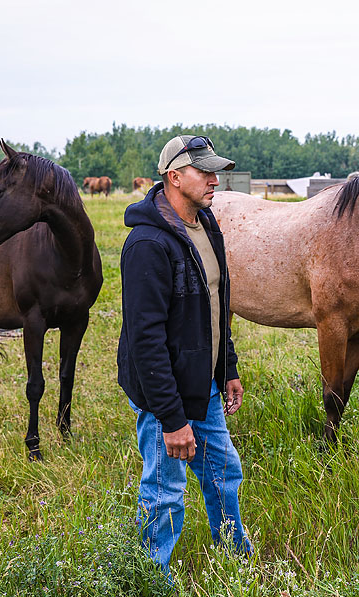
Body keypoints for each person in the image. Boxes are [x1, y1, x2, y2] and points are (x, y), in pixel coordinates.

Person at [117, 134, 252, 573]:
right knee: (164, 491)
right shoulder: (147, 245)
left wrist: (226, 367)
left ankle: (235, 559)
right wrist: (172, 419)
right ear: (174, 176)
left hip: (204, 384)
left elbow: (215, 304)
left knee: (223, 474)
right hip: (165, 398)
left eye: (216, 170)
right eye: (205, 171)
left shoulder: (205, 225)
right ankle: (151, 580)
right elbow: (145, 340)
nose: (216, 179)